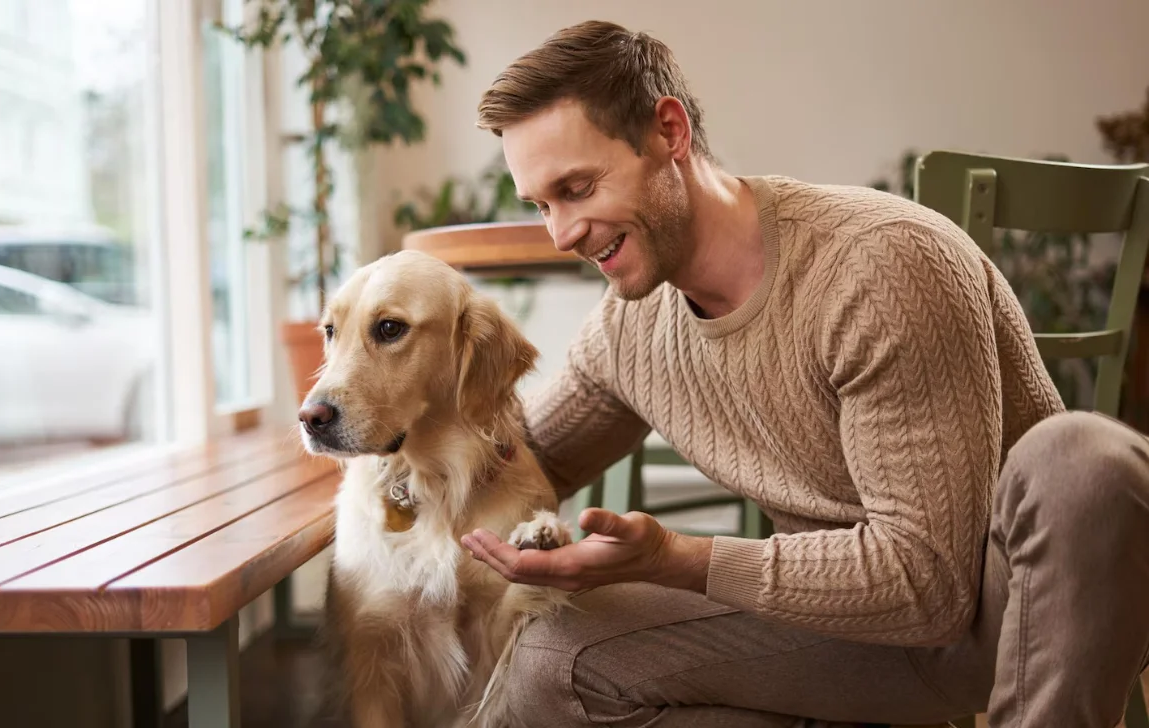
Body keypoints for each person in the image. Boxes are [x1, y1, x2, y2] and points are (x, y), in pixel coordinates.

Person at [457, 18, 1149, 728]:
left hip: (999, 616)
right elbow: (511, 460)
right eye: (542, 204)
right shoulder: (629, 329)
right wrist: (377, 419)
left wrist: (678, 558)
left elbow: (931, 588)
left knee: (1083, 461)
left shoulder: (877, 265)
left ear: (669, 132)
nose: (562, 233)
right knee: (551, 660)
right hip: (850, 636)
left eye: (577, 187)